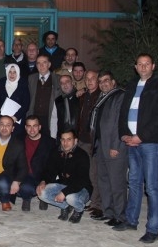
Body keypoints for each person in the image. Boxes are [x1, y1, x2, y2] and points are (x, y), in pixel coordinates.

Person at [113, 53, 158, 244]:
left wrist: (141, 137)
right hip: (132, 142)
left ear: (153, 66)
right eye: (140, 64)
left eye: (147, 64)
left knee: (152, 186)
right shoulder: (132, 85)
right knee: (134, 182)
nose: (143, 67)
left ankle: (153, 229)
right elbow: (123, 112)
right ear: (136, 67)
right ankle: (131, 221)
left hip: (150, 143)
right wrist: (124, 134)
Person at [91, 70, 128, 227]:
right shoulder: (103, 98)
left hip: (114, 146)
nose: (103, 84)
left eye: (106, 80)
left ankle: (120, 216)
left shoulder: (120, 96)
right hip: (101, 145)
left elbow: (121, 123)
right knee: (104, 181)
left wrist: (116, 146)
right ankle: (108, 212)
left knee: (117, 183)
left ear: (113, 82)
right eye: (100, 81)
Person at [37, 129, 92, 223]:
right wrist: (43, 181)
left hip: (82, 188)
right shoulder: (56, 152)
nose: (65, 143)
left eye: (69, 139)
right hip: (64, 184)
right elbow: (49, 171)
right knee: (41, 192)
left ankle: (79, 210)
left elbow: (81, 180)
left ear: (75, 140)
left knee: (70, 198)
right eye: (63, 139)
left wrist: (64, 193)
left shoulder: (82, 155)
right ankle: (65, 206)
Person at [10, 115, 55, 211]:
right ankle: (27, 198)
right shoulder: (19, 139)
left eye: (35, 126)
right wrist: (16, 179)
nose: (32, 129)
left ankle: (43, 196)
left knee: (45, 188)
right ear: (25, 127)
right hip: (25, 176)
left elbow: (52, 166)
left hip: (42, 176)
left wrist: (44, 180)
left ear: (39, 127)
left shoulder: (50, 142)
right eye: (29, 126)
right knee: (25, 188)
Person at [77, 70, 102, 218]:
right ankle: (90, 200)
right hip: (81, 139)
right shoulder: (83, 96)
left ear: (98, 80)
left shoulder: (101, 96)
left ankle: (97, 205)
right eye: (87, 78)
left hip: (93, 142)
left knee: (94, 173)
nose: (90, 81)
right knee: (84, 172)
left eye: (93, 78)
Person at [27, 54, 61, 138]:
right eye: (38, 63)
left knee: (49, 141)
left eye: (44, 62)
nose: (41, 65)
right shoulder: (31, 78)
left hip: (50, 117)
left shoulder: (58, 79)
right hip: (34, 118)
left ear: (49, 64)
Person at [0, 64, 30, 136]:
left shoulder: (23, 84)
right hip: (2, 121)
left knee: (16, 140)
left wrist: (15, 117)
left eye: (14, 72)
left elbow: (26, 104)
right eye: (10, 72)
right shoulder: (0, 83)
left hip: (17, 121)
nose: (12, 74)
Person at [51, 74, 80, 139]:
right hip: (62, 137)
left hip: (77, 137)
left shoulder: (81, 98)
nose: (64, 85)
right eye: (62, 83)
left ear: (72, 83)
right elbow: (54, 119)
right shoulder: (58, 100)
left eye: (67, 81)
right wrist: (53, 136)